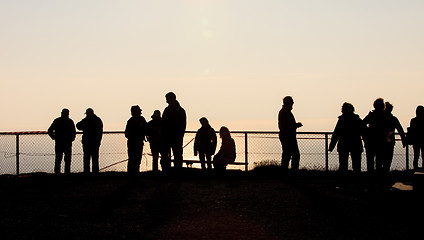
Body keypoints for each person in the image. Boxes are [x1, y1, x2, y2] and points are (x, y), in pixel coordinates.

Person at [329, 103, 366, 173]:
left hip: (344, 143)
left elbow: (336, 133)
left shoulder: (342, 120)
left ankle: (344, 180)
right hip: (356, 143)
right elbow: (364, 131)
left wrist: (332, 145)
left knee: (343, 164)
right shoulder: (357, 119)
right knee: (356, 165)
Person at [363, 98, 391, 173]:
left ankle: (371, 177)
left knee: (370, 161)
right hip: (381, 141)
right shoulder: (385, 116)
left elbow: (362, 124)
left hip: (371, 141)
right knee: (380, 161)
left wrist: (368, 132)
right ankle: (379, 177)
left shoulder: (371, 115)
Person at [161, 92, 186, 172]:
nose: (166, 101)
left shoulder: (180, 111)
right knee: (166, 156)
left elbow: (182, 125)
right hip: (167, 137)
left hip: (175, 138)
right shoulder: (167, 110)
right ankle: (167, 171)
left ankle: (177, 172)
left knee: (177, 155)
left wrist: (179, 136)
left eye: (167, 99)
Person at [48, 108, 76, 174]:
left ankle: (57, 173)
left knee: (58, 159)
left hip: (59, 142)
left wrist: (54, 137)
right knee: (67, 160)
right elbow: (73, 132)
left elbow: (50, 130)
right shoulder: (70, 121)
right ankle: (67, 173)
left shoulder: (57, 121)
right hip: (67, 143)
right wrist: (72, 138)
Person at [278, 96, 302, 171]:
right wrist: (296, 125)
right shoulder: (285, 112)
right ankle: (291, 171)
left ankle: (286, 171)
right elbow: (286, 125)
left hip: (287, 136)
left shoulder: (285, 112)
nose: (292, 104)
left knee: (287, 155)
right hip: (288, 137)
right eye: (291, 103)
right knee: (293, 155)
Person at [76, 108, 103, 174]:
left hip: (87, 142)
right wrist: (99, 140)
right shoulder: (98, 120)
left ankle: (86, 172)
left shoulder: (86, 120)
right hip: (95, 142)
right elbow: (100, 131)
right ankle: (95, 172)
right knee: (95, 158)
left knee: (86, 158)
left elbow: (78, 126)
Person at [125, 105, 147, 175]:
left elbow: (146, 128)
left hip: (136, 142)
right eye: (139, 110)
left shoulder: (137, 120)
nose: (140, 111)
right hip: (134, 143)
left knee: (136, 159)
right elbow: (127, 134)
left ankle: (134, 174)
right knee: (133, 159)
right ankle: (132, 174)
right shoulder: (133, 121)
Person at [384, 102, 406, 172]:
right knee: (388, 159)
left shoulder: (380, 119)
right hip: (390, 141)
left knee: (381, 160)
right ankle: (386, 172)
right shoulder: (393, 119)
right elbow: (400, 130)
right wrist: (403, 139)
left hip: (380, 141)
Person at [409, 105, 424, 170]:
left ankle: (415, 168)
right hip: (422, 140)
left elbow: (412, 131)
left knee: (416, 155)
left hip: (416, 140)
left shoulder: (413, 120)